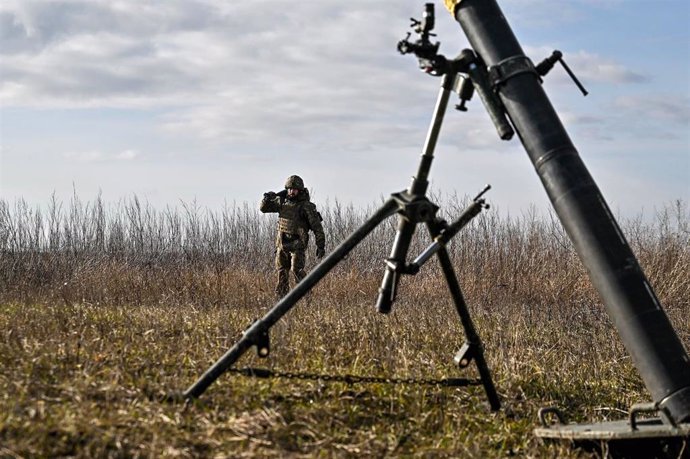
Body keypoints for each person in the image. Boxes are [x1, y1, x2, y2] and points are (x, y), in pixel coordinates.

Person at [260, 175, 325, 298]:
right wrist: (267, 198)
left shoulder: (306, 207)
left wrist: (320, 246)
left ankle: (307, 298)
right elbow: (264, 209)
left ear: (299, 190)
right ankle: (281, 300)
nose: (291, 191)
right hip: (282, 245)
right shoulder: (282, 202)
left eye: (294, 189)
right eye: (289, 189)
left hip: (297, 246)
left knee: (297, 272)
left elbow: (317, 228)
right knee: (282, 272)